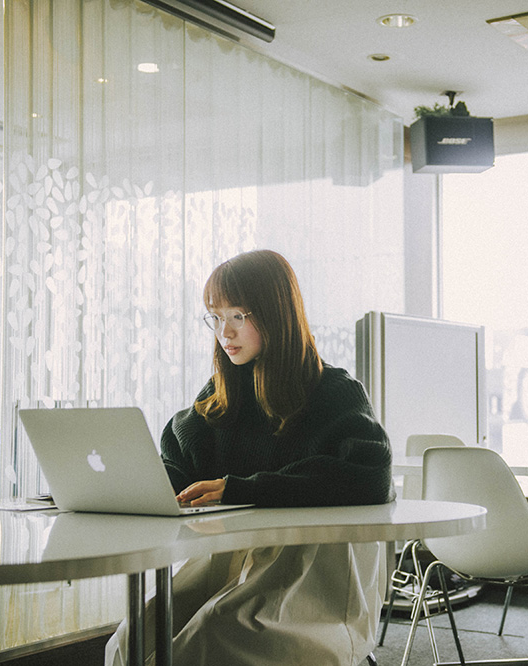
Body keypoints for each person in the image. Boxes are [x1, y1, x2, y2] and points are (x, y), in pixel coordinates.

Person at [105, 249, 394, 666]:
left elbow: (370, 475)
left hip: (307, 571)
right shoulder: (223, 392)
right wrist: (142, 485)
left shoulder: (333, 391)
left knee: (208, 639)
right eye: (216, 316)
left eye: (238, 315)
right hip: (231, 561)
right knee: (129, 641)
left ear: (277, 314)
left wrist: (239, 488)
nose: (225, 331)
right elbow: (181, 457)